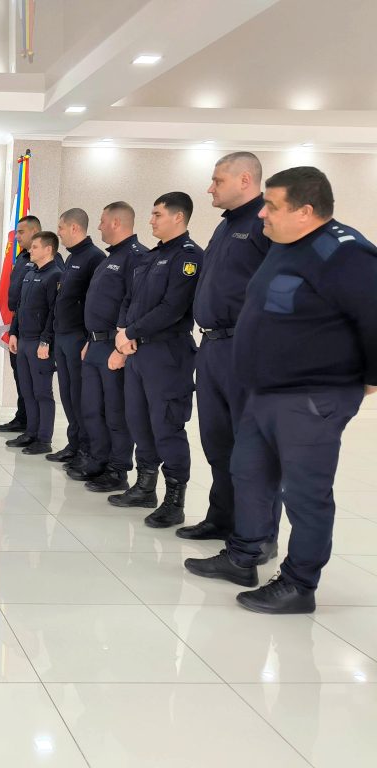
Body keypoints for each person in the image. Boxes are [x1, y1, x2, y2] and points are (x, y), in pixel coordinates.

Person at [185, 166, 377, 614]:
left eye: (272, 206)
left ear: (305, 211)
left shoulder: (345, 253)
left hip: (312, 394)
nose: (262, 214)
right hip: (265, 390)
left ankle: (299, 584)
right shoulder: (284, 244)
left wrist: (369, 378)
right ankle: (244, 555)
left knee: (305, 492)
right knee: (248, 471)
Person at [178, 152, 280, 543]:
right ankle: (222, 518)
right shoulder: (225, 226)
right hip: (213, 346)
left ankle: (259, 536)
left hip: (246, 347)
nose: (210, 188)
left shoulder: (267, 223)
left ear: (245, 180)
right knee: (217, 443)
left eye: (217, 180)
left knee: (252, 449)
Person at [108, 192, 202, 529]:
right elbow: (129, 299)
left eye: (157, 214)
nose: (151, 220)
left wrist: (130, 331)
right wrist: (123, 334)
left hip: (167, 353)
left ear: (178, 217)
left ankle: (174, 501)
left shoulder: (189, 257)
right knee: (138, 421)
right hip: (138, 352)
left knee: (166, 426)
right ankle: (145, 487)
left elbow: (172, 308)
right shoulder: (150, 257)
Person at [71, 202, 147, 493]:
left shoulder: (136, 257)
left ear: (116, 222)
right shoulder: (111, 257)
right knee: (92, 408)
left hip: (115, 346)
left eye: (103, 221)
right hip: (95, 344)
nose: (99, 226)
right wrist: (90, 340)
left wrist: (121, 348)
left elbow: (135, 304)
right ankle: (98, 460)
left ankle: (118, 469)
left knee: (116, 412)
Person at [48, 208, 105, 468]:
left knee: (82, 396)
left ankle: (86, 448)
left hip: (78, 337)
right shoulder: (72, 257)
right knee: (68, 394)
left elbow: (95, 302)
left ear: (74, 227)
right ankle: (74, 444)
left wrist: (88, 338)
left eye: (61, 227)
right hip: (62, 335)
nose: (58, 232)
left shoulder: (94, 257)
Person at [5, 231, 62, 454]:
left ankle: (44, 438)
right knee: (27, 391)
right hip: (23, 340)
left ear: (48, 249)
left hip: (40, 342)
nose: (30, 250)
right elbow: (20, 307)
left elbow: (54, 312)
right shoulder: (30, 274)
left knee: (42, 392)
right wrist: (13, 333)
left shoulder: (55, 275)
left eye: (35, 247)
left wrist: (46, 341)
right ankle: (31, 432)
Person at [0, 214, 41, 433]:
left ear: (35, 232)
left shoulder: (47, 259)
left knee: (33, 381)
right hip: (18, 324)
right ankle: (22, 417)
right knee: (20, 375)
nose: (17, 237)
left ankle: (34, 424)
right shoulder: (23, 257)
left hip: (35, 329)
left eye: (21, 232)